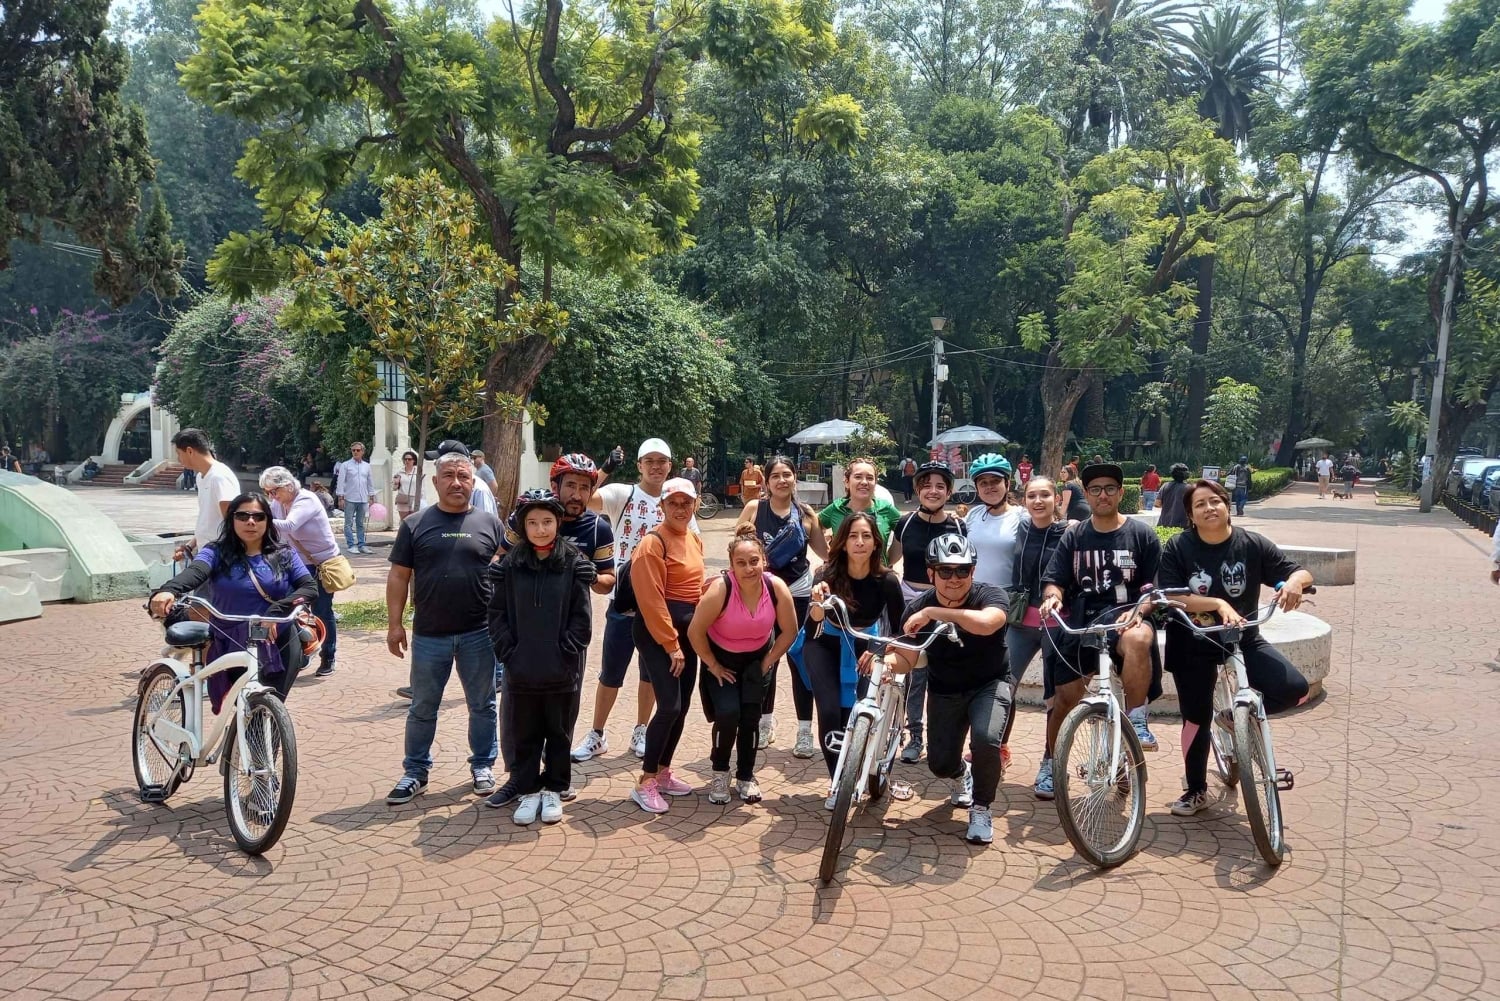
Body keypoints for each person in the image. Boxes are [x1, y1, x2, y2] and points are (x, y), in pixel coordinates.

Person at [1158, 478, 1312, 815]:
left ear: (1227, 506)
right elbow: (1171, 596)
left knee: (1296, 689)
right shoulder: (1179, 547)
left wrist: (1294, 584)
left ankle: (1234, 719)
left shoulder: (1251, 544)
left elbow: (1295, 571)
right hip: (1192, 642)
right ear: (1191, 515)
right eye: (1200, 505)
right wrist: (1215, 603)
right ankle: (1195, 790)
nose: (1209, 508)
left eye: (1215, 501)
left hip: (1242, 639)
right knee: (1195, 718)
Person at [486, 453, 616, 808]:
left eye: (584, 487)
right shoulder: (527, 515)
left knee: (562, 712)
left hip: (565, 632)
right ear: (554, 486)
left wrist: (592, 575)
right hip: (523, 633)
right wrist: (496, 571)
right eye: (569, 485)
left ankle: (556, 780)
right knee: (517, 710)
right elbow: (503, 558)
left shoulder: (597, 528)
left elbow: (607, 580)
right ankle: (519, 778)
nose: (576, 493)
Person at [384, 450, 503, 805]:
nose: (456, 482)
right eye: (448, 476)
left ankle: (483, 765)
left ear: (473, 481)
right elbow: (399, 576)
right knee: (423, 706)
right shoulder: (415, 524)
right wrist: (394, 624)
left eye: (463, 476)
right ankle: (415, 772)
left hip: (480, 633)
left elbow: (508, 572)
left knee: (483, 705)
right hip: (429, 635)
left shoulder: (490, 524)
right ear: (435, 482)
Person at [887, 534, 1010, 845]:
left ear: (973, 571)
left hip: (990, 683)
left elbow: (986, 623)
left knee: (985, 739)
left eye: (962, 571)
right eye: (945, 571)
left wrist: (934, 614)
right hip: (944, 690)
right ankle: (961, 775)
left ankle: (981, 807)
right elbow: (907, 657)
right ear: (931, 574)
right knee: (940, 765)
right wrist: (887, 662)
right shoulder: (916, 607)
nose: (954, 579)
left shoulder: (990, 595)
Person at [1039, 462, 1163, 763]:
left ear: (1121, 493)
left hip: (1127, 616)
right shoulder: (1075, 536)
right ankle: (1051, 763)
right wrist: (1053, 598)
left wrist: (1139, 610)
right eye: (1095, 489)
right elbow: (1055, 580)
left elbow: (1154, 590)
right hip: (1084, 621)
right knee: (1064, 700)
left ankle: (1136, 718)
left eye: (1109, 489)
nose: (1102, 495)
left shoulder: (1142, 535)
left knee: (1138, 638)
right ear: (1087, 494)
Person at [148, 492, 317, 711]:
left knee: (272, 709)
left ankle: (265, 744)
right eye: (242, 515)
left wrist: (276, 611)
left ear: (268, 521)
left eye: (258, 517)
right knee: (245, 709)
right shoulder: (215, 552)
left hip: (280, 638)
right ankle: (240, 743)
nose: (250, 521)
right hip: (231, 641)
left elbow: (309, 587)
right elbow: (197, 571)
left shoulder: (284, 554)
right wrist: (169, 590)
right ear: (232, 519)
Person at [574, 437, 680, 762]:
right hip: (624, 600)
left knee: (649, 674)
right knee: (611, 673)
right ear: (639, 466)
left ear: (670, 466)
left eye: (662, 461)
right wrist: (604, 469)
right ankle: (597, 734)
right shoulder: (624, 494)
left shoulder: (676, 500)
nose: (656, 466)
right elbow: (584, 499)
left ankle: (641, 731)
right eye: (649, 461)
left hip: (659, 604)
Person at [795, 512, 906, 802]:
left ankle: (857, 767)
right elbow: (812, 626)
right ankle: (838, 783)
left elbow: (899, 630)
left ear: (875, 542)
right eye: (853, 536)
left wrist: (878, 649)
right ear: (843, 542)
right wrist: (818, 604)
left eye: (866, 536)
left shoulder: (887, 581)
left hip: (867, 646)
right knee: (830, 712)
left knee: (857, 715)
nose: (859, 542)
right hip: (825, 643)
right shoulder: (825, 575)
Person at [687, 526, 798, 805]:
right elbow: (694, 631)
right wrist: (712, 664)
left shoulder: (776, 587)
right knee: (727, 714)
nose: (749, 568)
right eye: (741, 563)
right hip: (722, 660)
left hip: (756, 661)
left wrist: (768, 663)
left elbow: (790, 631)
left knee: (750, 719)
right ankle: (720, 772)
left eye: (754, 561)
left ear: (764, 560)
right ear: (731, 566)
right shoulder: (721, 589)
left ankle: (746, 776)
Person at [735, 455, 830, 757]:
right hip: (763, 594)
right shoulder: (754, 509)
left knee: (801, 660)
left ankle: (804, 731)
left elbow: (823, 553)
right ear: (766, 480)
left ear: (794, 478)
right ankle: (765, 723)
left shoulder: (805, 513)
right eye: (775, 476)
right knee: (766, 658)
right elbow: (738, 548)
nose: (782, 481)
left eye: (787, 475)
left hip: (800, 594)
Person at [628, 477, 707, 813]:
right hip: (658, 633)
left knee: (683, 705)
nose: (679, 509)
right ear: (661, 507)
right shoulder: (652, 544)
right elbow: (651, 599)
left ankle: (662, 771)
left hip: (686, 633)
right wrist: (670, 643)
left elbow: (695, 588)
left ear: (695, 505)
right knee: (670, 706)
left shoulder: (693, 539)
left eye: (685, 503)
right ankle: (645, 781)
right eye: (672, 503)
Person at [887, 460, 967, 764]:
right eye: (926, 485)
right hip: (910, 600)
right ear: (918, 489)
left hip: (947, 603)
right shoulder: (905, 523)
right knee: (914, 672)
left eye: (940, 486)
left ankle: (941, 736)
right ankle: (915, 734)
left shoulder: (959, 526)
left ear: (948, 491)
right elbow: (891, 559)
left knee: (943, 672)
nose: (932, 491)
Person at [1004, 477, 1072, 799]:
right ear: (1024, 499)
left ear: (1056, 497)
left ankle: (1051, 763)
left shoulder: (1069, 533)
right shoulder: (1019, 529)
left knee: (1054, 698)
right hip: (1020, 623)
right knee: (1002, 686)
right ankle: (994, 751)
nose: (1038, 501)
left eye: (1045, 494)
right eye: (1032, 495)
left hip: (1056, 623)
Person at [963, 454, 1025, 767]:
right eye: (983, 483)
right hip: (972, 604)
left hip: (1008, 608)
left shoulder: (1021, 518)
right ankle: (977, 740)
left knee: (1004, 680)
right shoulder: (973, 517)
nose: (989, 487)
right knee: (973, 677)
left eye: (995, 481)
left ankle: (998, 745)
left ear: (1007, 483)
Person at [260, 465, 342, 678]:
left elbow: (289, 525)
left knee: (322, 610)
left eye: (274, 491)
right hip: (295, 564)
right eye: (267, 493)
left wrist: (259, 518)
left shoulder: (306, 500)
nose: (272, 497)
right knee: (292, 610)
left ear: (287, 486)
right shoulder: (279, 503)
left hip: (321, 564)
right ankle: (302, 652)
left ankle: (328, 655)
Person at [172, 428, 240, 556]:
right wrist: (190, 546)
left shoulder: (219, 477)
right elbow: (209, 519)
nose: (178, 459)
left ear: (190, 451)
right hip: (207, 553)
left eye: (179, 453)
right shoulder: (201, 477)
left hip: (221, 555)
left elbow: (233, 522)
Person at [817, 457, 903, 543]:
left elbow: (906, 531)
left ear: (875, 482)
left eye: (870, 478)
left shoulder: (886, 509)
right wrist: (827, 553)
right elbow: (812, 527)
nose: (864, 482)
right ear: (847, 482)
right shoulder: (836, 508)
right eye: (858, 477)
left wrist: (893, 555)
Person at [335, 442, 375, 554]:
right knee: (348, 523)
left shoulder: (367, 466)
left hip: (363, 498)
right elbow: (341, 482)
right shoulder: (345, 465)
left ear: (362, 451)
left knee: (360, 523)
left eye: (358, 450)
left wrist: (371, 496)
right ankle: (351, 544)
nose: (355, 452)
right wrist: (340, 497)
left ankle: (362, 544)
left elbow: (369, 482)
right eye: (353, 450)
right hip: (350, 498)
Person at [1156, 464, 1192, 530]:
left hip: (1164, 525)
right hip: (1182, 526)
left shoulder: (1165, 486)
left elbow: (1157, 504)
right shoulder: (1189, 488)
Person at [393, 450, 421, 523]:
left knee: (414, 521)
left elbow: (422, 488)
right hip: (403, 499)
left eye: (409, 459)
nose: (407, 461)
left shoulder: (418, 472)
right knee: (404, 521)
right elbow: (394, 488)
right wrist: (396, 483)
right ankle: (403, 534)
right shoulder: (399, 473)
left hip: (414, 498)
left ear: (414, 460)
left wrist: (422, 499)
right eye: (405, 459)